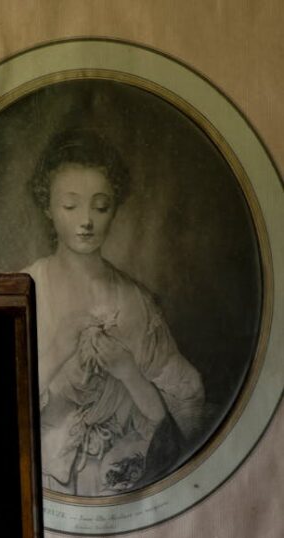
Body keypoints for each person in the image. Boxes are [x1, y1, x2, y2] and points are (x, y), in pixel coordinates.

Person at [24, 128, 204, 496]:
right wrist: (58, 349)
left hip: (121, 479)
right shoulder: (25, 288)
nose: (86, 220)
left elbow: (184, 404)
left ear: (114, 209)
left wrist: (129, 372)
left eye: (100, 206)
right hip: (40, 476)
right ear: (48, 208)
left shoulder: (136, 300)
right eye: (71, 206)